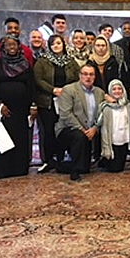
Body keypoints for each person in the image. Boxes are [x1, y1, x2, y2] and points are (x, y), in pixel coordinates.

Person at [0, 35, 35, 179]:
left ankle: (19, 169)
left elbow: (31, 86)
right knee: (3, 138)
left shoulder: (26, 64)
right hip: (2, 108)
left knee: (20, 138)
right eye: (8, 45)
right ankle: (4, 169)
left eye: (14, 45)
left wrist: (33, 105)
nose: (12, 48)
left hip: (22, 109)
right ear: (3, 47)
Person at [34, 35, 80, 173]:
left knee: (64, 130)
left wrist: (67, 91)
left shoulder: (71, 62)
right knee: (48, 131)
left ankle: (61, 158)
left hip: (66, 101)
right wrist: (53, 90)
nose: (56, 46)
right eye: (53, 44)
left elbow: (78, 78)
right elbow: (38, 79)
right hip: (47, 101)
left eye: (58, 43)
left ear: (64, 44)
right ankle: (48, 160)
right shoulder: (43, 61)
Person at [55, 63, 105, 182]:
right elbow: (66, 114)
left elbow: (102, 114)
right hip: (68, 129)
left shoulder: (99, 93)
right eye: (85, 74)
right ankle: (75, 172)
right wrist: (82, 129)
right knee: (79, 136)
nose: (88, 77)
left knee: (86, 168)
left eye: (91, 74)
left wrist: (95, 128)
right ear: (79, 75)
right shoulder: (69, 90)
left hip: (90, 130)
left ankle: (59, 165)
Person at [97, 79, 130, 172]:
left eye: (119, 89)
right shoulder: (106, 107)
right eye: (114, 89)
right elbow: (104, 129)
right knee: (114, 169)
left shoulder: (127, 105)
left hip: (123, 139)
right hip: (112, 141)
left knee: (120, 168)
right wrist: (106, 147)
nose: (117, 91)